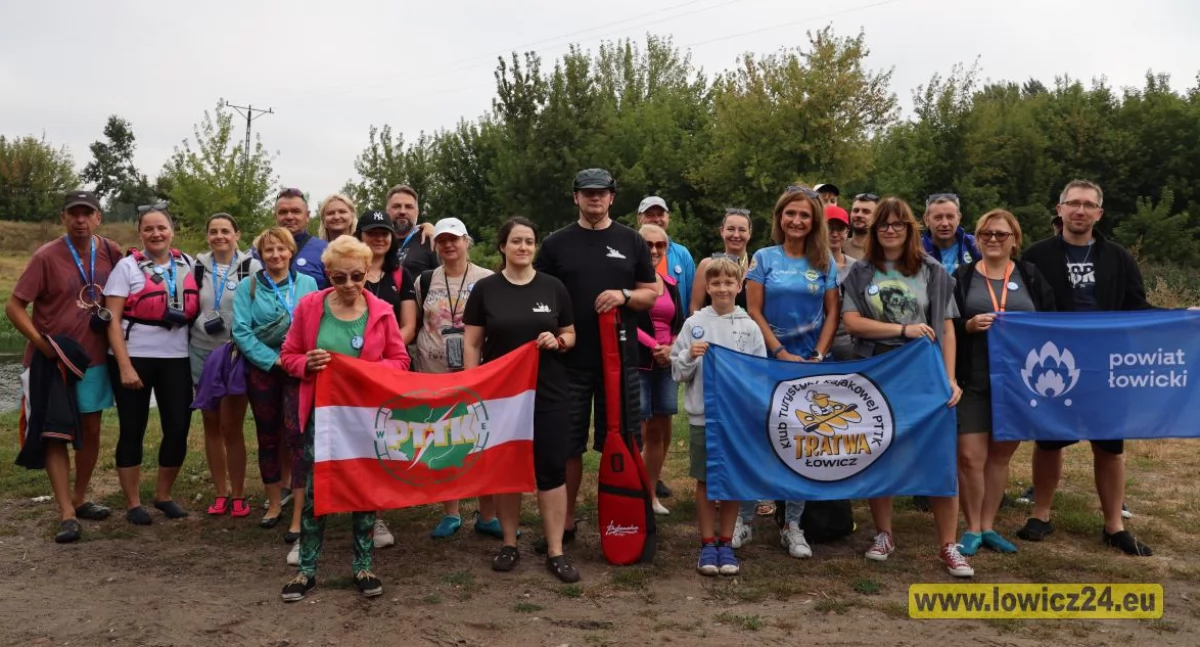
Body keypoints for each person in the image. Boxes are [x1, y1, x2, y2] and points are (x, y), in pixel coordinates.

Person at [1016, 180, 1153, 557]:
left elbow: (1136, 307)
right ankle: (1041, 514)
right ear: (1059, 210)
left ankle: (1114, 525)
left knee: (1109, 445)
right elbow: (1021, 306)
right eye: (1072, 204)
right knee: (1049, 440)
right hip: (1053, 363)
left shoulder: (1119, 258)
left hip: (1105, 363)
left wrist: (1181, 319)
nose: (1080, 210)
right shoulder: (1036, 255)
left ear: (1099, 213)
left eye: (1087, 205)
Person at [841, 197, 970, 577]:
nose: (891, 230)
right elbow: (852, 322)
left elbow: (946, 328)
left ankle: (949, 545)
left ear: (911, 228)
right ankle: (884, 533)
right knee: (880, 451)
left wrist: (950, 378)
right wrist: (901, 329)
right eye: (884, 225)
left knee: (939, 456)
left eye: (899, 224)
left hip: (925, 373)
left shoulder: (932, 271)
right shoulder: (860, 273)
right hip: (880, 370)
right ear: (875, 230)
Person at [532, 168, 658, 555]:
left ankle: (632, 516)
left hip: (618, 361)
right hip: (567, 362)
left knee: (624, 442)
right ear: (575, 198)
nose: (594, 199)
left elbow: (650, 293)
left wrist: (623, 294)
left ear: (612, 198)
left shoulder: (631, 240)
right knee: (567, 445)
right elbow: (541, 294)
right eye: (587, 193)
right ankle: (566, 523)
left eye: (601, 194)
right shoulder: (556, 244)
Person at [279, 236, 411, 602]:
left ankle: (364, 566)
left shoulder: (382, 311)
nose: (350, 285)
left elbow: (401, 362)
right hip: (322, 415)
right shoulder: (309, 307)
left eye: (357, 276)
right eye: (340, 278)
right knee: (316, 493)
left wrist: (366, 370)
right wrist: (307, 363)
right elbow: (288, 354)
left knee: (363, 490)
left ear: (368, 272)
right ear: (328, 275)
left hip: (366, 416)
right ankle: (306, 570)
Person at [462, 217, 581, 583]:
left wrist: (557, 341)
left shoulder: (554, 287)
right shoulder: (485, 289)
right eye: (516, 241)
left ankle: (556, 549)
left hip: (549, 391)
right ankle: (509, 543)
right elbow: (471, 342)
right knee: (506, 470)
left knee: (551, 469)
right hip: (500, 397)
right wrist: (472, 385)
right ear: (503, 246)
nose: (524, 248)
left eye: (529, 241)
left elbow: (571, 334)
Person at [6, 190, 120, 542]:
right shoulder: (46, 257)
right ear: (64, 218)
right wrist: (42, 344)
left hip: (94, 360)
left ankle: (80, 496)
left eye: (88, 213)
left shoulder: (112, 252)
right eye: (74, 214)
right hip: (51, 362)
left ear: (98, 218)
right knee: (55, 433)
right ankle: (66, 513)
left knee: (91, 428)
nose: (81, 220)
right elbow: (14, 306)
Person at [743, 184, 840, 559]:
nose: (797, 220)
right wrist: (779, 351)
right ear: (780, 217)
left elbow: (832, 312)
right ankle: (746, 519)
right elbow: (754, 311)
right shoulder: (764, 258)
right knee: (760, 440)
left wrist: (817, 354)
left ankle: (792, 525)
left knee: (802, 445)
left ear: (813, 221)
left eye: (804, 215)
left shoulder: (825, 261)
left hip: (811, 369)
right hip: (767, 363)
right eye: (791, 213)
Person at [952, 210, 1055, 556]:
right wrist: (967, 325)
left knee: (1000, 456)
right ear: (976, 239)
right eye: (986, 234)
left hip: (1018, 382)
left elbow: (1052, 323)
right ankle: (970, 528)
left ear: (1014, 239)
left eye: (1000, 234)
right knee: (969, 456)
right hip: (973, 378)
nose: (993, 239)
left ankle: (988, 525)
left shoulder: (1030, 275)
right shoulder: (962, 276)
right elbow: (946, 325)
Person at [103, 203, 199, 525]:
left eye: (162, 228)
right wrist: (124, 365)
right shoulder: (127, 268)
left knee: (178, 428)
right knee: (133, 428)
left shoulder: (187, 263)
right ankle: (132, 503)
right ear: (140, 233)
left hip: (177, 357)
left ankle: (163, 495)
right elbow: (112, 320)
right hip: (136, 355)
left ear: (172, 231)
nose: (156, 233)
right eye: (149, 229)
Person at [672, 257, 766, 576]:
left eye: (729, 283)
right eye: (716, 283)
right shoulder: (694, 324)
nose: (722, 288)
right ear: (707, 287)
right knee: (706, 480)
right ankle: (707, 543)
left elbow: (759, 373)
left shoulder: (750, 326)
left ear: (739, 287)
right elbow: (676, 371)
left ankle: (726, 542)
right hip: (704, 417)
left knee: (733, 481)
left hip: (737, 418)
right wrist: (689, 355)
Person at [232, 227, 319, 564]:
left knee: (298, 438)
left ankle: (298, 514)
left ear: (291, 251)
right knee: (268, 436)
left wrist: (298, 361)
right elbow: (241, 330)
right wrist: (272, 361)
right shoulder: (248, 287)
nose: (275, 255)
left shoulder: (308, 285)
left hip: (299, 372)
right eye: (268, 250)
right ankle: (272, 503)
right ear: (260, 255)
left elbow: (317, 323)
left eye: (281, 249)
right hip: (265, 370)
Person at [413, 217, 499, 538]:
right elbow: (420, 321)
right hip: (433, 372)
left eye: (455, 239)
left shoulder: (488, 279)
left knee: (481, 442)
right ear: (436, 246)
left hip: (476, 373)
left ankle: (487, 514)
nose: (448, 245)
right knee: (443, 442)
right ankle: (451, 512)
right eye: (442, 240)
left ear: (467, 242)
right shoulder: (424, 280)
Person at [189, 213, 260, 518]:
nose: (220, 236)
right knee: (210, 423)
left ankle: (240, 493)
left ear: (237, 234)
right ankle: (221, 492)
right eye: (214, 231)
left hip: (234, 355)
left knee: (231, 426)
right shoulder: (196, 267)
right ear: (207, 236)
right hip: (201, 353)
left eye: (226, 231)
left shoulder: (251, 267)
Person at [635, 224, 684, 516]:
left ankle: (650, 494)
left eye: (659, 245)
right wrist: (655, 345)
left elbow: (679, 324)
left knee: (658, 430)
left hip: (667, 364)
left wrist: (672, 348)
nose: (653, 250)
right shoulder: (627, 282)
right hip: (640, 361)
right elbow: (624, 321)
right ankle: (631, 492)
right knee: (637, 429)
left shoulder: (670, 284)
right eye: (647, 244)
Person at [357, 210, 418, 345]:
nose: (379, 238)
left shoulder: (401, 275)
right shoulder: (344, 273)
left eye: (384, 233)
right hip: (354, 357)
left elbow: (408, 327)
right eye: (372, 233)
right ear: (359, 236)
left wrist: (383, 351)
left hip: (391, 360)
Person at [637, 195, 696, 313]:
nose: (656, 219)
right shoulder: (629, 251)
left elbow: (692, 298)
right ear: (639, 219)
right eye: (650, 215)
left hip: (676, 328)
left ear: (668, 218)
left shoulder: (682, 254)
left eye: (660, 214)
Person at [690, 208, 753, 315]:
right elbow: (695, 308)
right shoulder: (707, 265)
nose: (736, 235)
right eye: (731, 229)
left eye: (742, 230)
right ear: (721, 231)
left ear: (749, 234)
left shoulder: (757, 266)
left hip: (747, 330)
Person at [273, 187, 329, 288]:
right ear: (275, 217)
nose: (289, 217)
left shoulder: (326, 251)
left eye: (296, 211)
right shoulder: (259, 252)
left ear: (307, 216)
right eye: (283, 212)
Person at [825, 204, 857, 361]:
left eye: (840, 228)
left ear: (847, 232)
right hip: (813, 347)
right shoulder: (805, 266)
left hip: (848, 347)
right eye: (830, 228)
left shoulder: (857, 268)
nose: (835, 234)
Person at [921, 193, 981, 275]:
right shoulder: (916, 250)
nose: (945, 223)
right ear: (926, 220)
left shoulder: (976, 245)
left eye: (950, 217)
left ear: (959, 218)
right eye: (938, 218)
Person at [386, 184, 438, 276]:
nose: (402, 211)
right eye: (396, 206)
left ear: (417, 212)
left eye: (408, 207)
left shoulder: (430, 240)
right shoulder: (377, 240)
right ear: (387, 211)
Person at [845, 193, 879, 259]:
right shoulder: (838, 247)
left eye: (866, 211)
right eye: (856, 210)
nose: (859, 215)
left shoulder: (883, 251)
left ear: (877, 217)